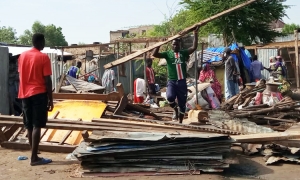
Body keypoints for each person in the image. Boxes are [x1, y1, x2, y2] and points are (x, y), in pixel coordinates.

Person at [18, 33, 53, 166]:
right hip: (38, 94)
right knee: (37, 125)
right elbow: (47, 80)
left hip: (25, 94)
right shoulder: (43, 57)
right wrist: (51, 99)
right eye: (43, 42)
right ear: (40, 42)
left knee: (29, 125)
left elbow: (21, 75)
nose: (44, 45)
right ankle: (34, 158)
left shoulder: (22, 56)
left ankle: (34, 151)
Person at [152, 26, 199, 123]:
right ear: (171, 45)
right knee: (169, 97)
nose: (175, 46)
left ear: (179, 45)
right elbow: (154, 54)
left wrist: (195, 34)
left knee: (182, 104)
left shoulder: (183, 53)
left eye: (177, 45)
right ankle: (175, 109)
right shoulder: (167, 54)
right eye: (174, 45)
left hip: (182, 82)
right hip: (172, 81)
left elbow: (194, 47)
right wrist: (160, 44)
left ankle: (180, 122)